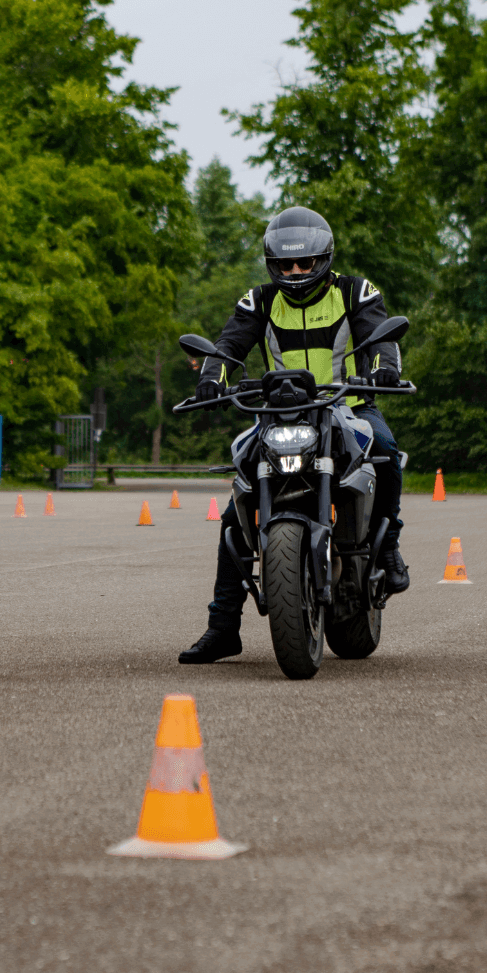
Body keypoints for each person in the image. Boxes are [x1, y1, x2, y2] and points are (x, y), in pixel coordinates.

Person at [178, 206, 408, 665]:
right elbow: (229, 345)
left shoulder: (354, 292)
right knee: (237, 506)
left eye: (305, 262)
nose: (296, 271)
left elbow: (380, 338)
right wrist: (212, 378)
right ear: (273, 264)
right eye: (285, 264)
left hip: (348, 406)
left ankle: (388, 548)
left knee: (384, 448)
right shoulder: (259, 301)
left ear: (323, 258)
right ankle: (222, 627)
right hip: (278, 416)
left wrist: (384, 368)